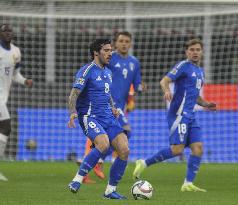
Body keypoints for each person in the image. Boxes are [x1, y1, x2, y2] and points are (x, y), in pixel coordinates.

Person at [133, 38, 216, 192]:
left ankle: (187, 183)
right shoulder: (183, 66)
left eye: (198, 49)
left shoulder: (200, 72)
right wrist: (166, 90)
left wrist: (206, 104)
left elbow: (195, 95)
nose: (195, 52)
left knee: (198, 148)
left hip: (191, 115)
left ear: (202, 52)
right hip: (179, 114)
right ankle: (144, 163)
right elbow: (164, 80)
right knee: (177, 150)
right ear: (187, 52)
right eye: (192, 50)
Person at [67, 39, 129, 199]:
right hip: (90, 116)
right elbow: (74, 93)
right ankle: (77, 179)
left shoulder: (108, 72)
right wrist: (72, 112)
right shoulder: (87, 70)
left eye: (111, 50)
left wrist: (113, 108)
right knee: (103, 143)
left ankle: (110, 191)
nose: (110, 53)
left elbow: (107, 94)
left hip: (108, 117)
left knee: (124, 149)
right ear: (96, 52)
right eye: (107, 50)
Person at [80, 31, 146, 183]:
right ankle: (99, 161)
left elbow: (136, 85)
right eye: (121, 41)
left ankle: (91, 166)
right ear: (116, 43)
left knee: (110, 138)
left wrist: (140, 88)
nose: (124, 43)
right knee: (126, 131)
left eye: (126, 41)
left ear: (130, 44)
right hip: (107, 103)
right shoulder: (109, 57)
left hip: (119, 106)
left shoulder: (134, 62)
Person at [0, 24, 33, 181]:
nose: (8, 33)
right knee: (6, 126)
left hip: (1, 97)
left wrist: (25, 81)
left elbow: (15, 74)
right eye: (5, 31)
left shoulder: (16, 52)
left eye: (10, 30)